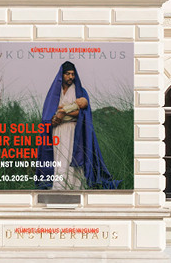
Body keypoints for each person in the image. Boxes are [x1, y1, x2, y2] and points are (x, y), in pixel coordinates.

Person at [36, 59, 118, 190]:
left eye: (72, 74)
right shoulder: (53, 93)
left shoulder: (80, 92)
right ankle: (59, 186)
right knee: (59, 157)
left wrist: (63, 114)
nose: (70, 77)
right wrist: (53, 119)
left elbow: (84, 112)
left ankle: (75, 186)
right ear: (61, 75)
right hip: (57, 130)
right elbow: (48, 112)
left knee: (71, 157)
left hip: (74, 129)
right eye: (67, 74)